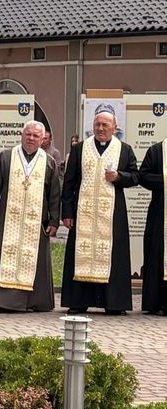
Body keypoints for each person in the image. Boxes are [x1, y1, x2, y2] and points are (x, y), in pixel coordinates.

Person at [61, 109, 139, 315]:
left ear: (115, 128)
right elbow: (69, 183)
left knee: (114, 256)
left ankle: (114, 303)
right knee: (80, 254)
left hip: (112, 215)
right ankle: (78, 302)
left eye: (105, 125)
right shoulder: (79, 149)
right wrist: (67, 213)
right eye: (97, 124)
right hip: (83, 213)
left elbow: (135, 177)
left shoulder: (125, 149)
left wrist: (119, 177)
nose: (101, 128)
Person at [0, 121, 61, 314]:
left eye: (36, 136)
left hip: (36, 222)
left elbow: (54, 194)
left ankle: (34, 302)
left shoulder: (49, 161)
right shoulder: (6, 157)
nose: (31, 139)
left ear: (43, 139)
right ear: (21, 135)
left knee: (34, 258)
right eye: (28, 134)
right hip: (7, 219)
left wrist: (54, 221)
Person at [139, 136, 167, 315]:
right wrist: (165, 179)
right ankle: (158, 303)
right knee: (157, 254)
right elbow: (143, 176)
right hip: (160, 214)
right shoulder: (157, 151)